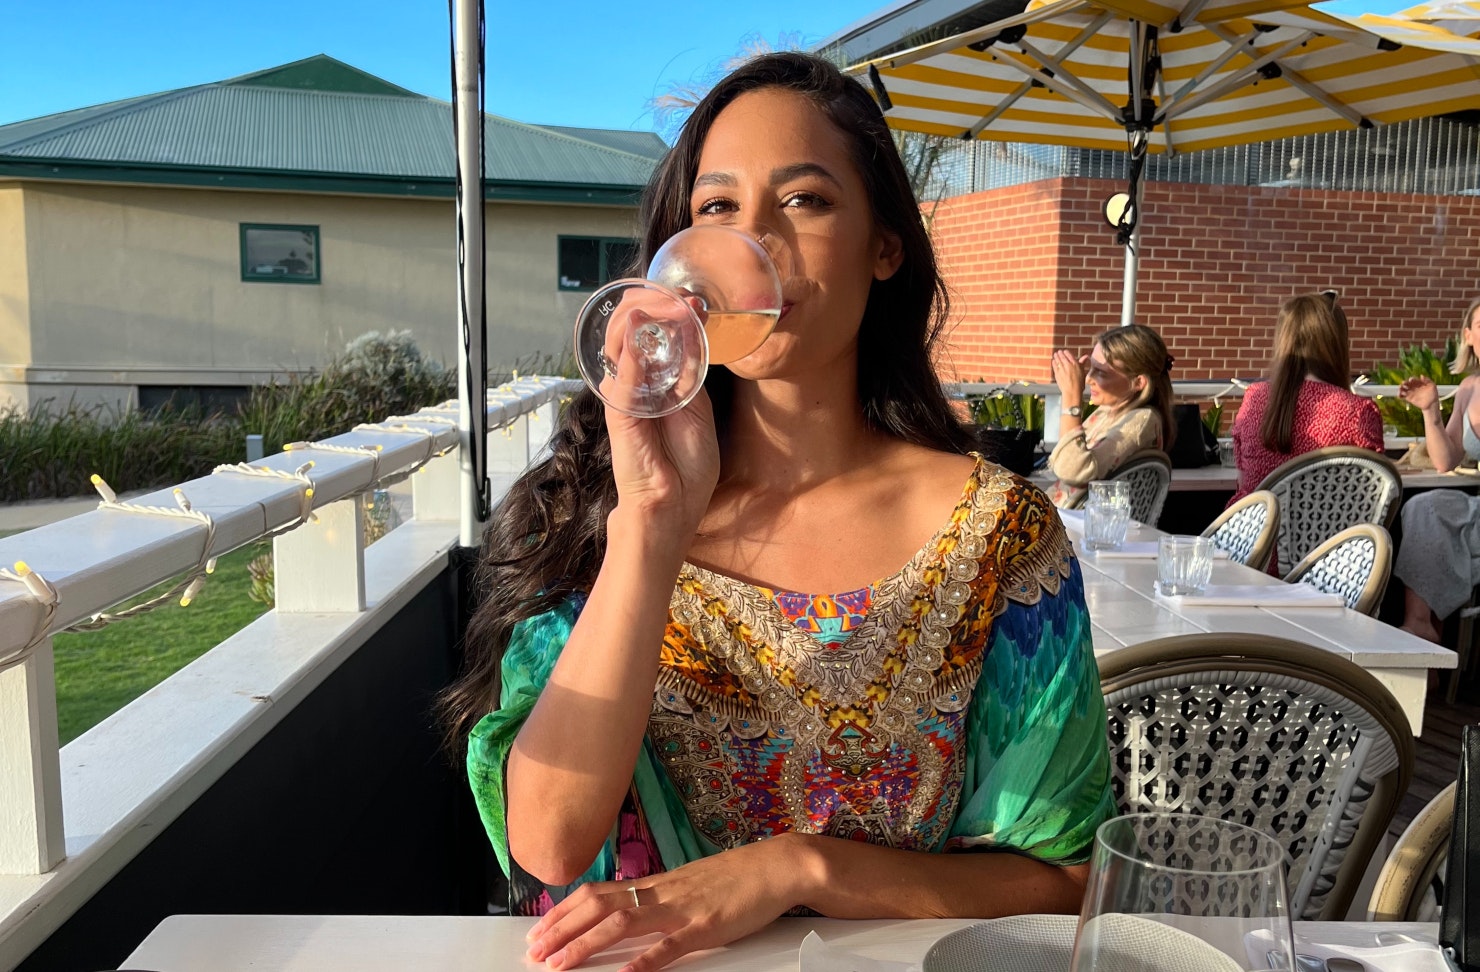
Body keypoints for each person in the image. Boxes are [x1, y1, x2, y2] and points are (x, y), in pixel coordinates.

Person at [440, 53, 1114, 972]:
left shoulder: (998, 531)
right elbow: (549, 841)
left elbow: (1064, 881)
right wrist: (649, 521)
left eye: (804, 200)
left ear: (886, 246)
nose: (751, 240)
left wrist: (798, 869)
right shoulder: (601, 510)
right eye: (717, 208)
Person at [1229, 292, 1383, 505]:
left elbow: (1243, 483)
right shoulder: (1358, 412)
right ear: (1338, 345)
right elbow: (1370, 498)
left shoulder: (1254, 398)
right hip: (1331, 537)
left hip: (1256, 533)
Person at [1394, 296, 1480, 642]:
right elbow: (1446, 461)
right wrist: (1431, 410)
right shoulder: (1468, 388)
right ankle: (1419, 624)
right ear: (1469, 337)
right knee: (1422, 507)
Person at [1046, 324, 1176, 509]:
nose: (1088, 378)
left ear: (1138, 382)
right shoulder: (1109, 411)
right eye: (1091, 368)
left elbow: (1072, 471)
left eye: (1101, 372)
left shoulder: (1141, 421)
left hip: (1074, 527)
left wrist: (1071, 397)